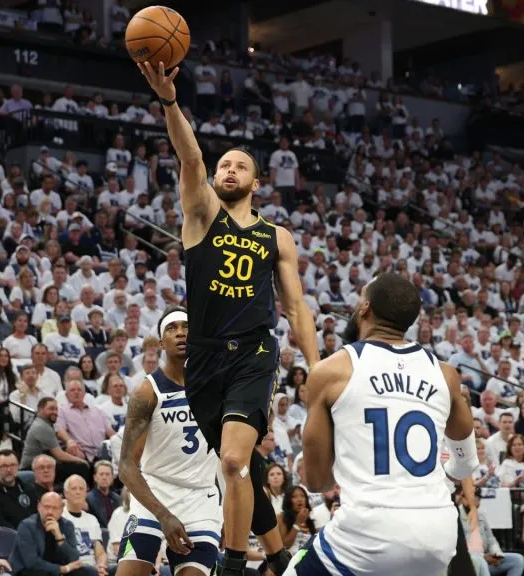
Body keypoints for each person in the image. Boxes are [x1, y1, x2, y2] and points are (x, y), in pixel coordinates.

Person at [138, 61, 319, 576]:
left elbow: (296, 306)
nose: (228, 171)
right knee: (245, 469)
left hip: (255, 352)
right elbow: (189, 155)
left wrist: (316, 363)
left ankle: (234, 564)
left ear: (256, 183)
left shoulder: (276, 236)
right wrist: (170, 102)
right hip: (206, 358)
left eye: (239, 166)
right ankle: (279, 556)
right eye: (224, 167)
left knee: (235, 463)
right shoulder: (200, 214)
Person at [285, 273, 477, 575]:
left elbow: (317, 481)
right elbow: (465, 466)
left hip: (369, 533)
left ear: (364, 307)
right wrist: (448, 471)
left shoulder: (330, 371)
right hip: (439, 533)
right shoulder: (446, 373)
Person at [116, 307, 222, 576]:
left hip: (201, 497)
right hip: (155, 493)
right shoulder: (147, 391)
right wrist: (163, 515)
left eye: (186, 327)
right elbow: (126, 467)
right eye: (172, 328)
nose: (180, 333)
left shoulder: (216, 387)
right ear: (161, 343)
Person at [11, 492, 90, 576]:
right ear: (39, 506)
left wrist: (59, 537)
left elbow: (74, 558)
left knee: (83, 572)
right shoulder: (26, 526)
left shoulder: (67, 525)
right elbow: (31, 562)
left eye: (55, 508)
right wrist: (62, 569)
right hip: (30, 571)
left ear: (62, 509)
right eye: (46, 507)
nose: (50, 512)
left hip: (57, 570)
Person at [457, 487, 524, 576]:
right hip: (467, 562)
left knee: (518, 559)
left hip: (485, 558)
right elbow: (458, 548)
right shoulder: (456, 517)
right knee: (481, 561)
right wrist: (483, 557)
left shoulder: (481, 516)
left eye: (478, 499)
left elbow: (491, 539)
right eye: (473, 498)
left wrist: (497, 554)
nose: (475, 502)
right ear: (463, 499)